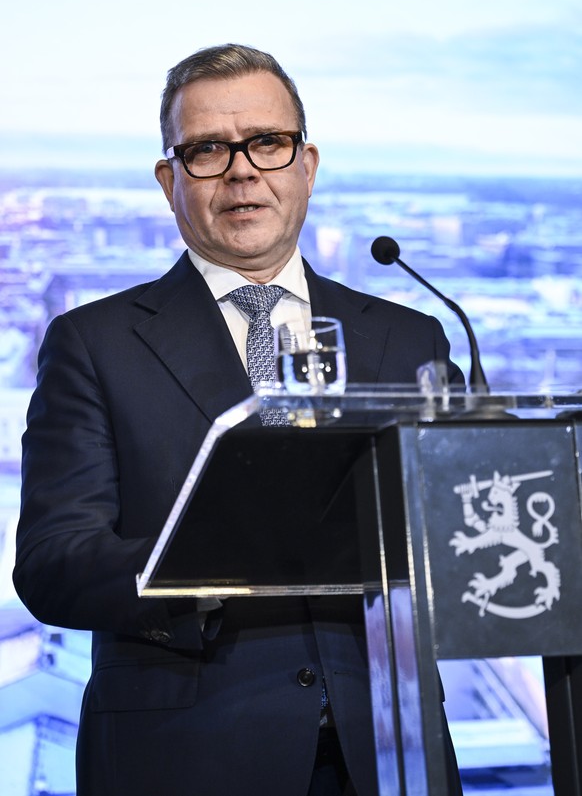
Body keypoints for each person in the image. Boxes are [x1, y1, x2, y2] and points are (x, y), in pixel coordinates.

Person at [13, 44, 464, 796]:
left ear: (306, 165)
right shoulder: (95, 344)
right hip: (186, 757)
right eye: (207, 150)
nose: (242, 170)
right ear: (170, 181)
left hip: (390, 750)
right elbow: (53, 564)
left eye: (267, 142)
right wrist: (217, 556)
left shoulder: (410, 338)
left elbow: (454, 534)